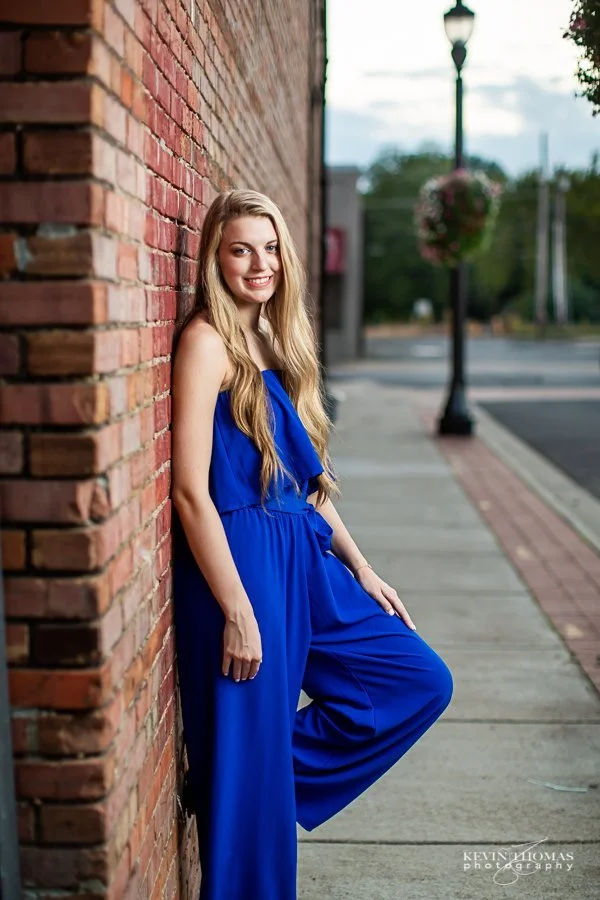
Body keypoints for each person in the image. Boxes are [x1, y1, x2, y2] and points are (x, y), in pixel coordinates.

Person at [171, 189, 453, 900]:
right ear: (214, 259)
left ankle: (239, 775)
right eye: (241, 250)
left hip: (305, 554)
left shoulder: (275, 341)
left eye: (269, 249)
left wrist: (362, 568)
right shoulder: (206, 342)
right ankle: (240, 781)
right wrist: (236, 608)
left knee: (416, 680)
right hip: (245, 563)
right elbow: (190, 492)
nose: (258, 264)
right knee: (250, 804)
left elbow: (307, 484)